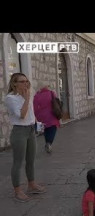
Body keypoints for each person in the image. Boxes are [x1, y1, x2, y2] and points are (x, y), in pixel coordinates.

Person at [4, 73, 46, 202]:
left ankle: (31, 185)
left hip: (30, 129)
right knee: (18, 162)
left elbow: (30, 113)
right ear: (14, 83)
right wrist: (27, 99)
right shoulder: (11, 98)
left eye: (27, 81)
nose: (26, 84)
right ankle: (17, 190)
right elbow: (21, 115)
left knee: (31, 159)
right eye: (22, 81)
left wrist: (37, 122)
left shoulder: (27, 94)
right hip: (19, 131)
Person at [33, 85, 61, 153]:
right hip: (51, 114)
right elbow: (56, 102)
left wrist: (36, 116)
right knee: (52, 129)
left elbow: (35, 107)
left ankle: (47, 142)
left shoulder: (36, 96)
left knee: (45, 129)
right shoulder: (51, 93)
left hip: (41, 116)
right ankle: (49, 143)